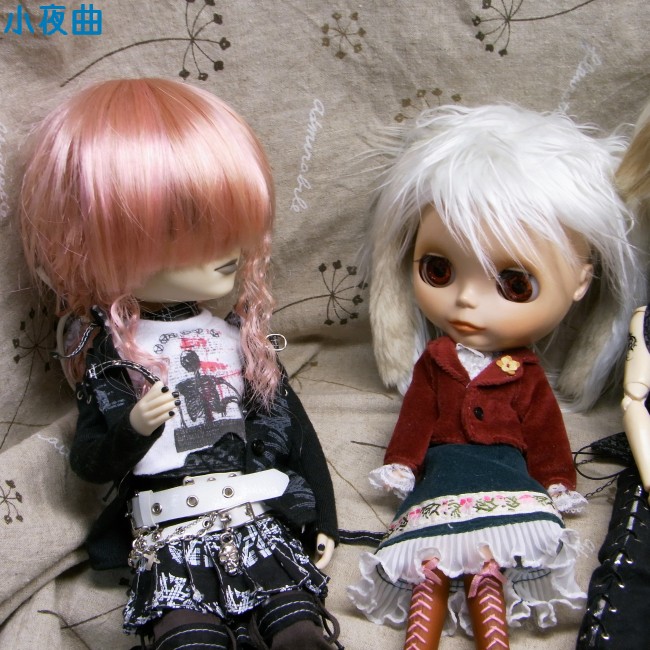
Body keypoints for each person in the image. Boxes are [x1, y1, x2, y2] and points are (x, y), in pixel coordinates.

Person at [19, 78, 340, 650]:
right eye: (188, 231)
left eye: (231, 225)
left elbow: (296, 431)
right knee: (188, 635)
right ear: (97, 243)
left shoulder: (236, 337)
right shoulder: (113, 355)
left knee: (296, 626)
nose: (227, 251)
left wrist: (324, 522)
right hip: (169, 531)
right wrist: (133, 427)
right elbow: (89, 461)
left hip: (257, 517)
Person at [347, 104, 641, 649]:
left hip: (508, 483)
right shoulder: (435, 361)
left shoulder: (524, 373)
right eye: (438, 269)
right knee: (428, 571)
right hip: (440, 481)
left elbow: (546, 430)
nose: (465, 301)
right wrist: (402, 463)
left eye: (513, 284)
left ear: (581, 282)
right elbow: (416, 419)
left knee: (490, 575)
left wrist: (557, 479)